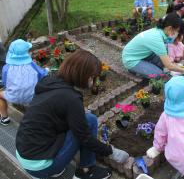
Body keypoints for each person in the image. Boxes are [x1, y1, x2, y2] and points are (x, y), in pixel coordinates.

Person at [15, 50, 129, 179]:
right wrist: (111, 152)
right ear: (83, 75)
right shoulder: (70, 98)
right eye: (92, 77)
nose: (93, 81)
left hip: (24, 152)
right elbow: (84, 137)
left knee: (83, 120)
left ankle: (63, 165)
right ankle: (86, 171)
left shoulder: (49, 81)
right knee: (89, 121)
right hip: (41, 166)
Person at [122, 12, 184, 78]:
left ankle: (146, 65)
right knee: (159, 75)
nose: (177, 34)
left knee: (164, 61)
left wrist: (176, 65)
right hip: (131, 60)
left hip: (142, 54)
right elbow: (169, 66)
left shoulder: (158, 31)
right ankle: (134, 70)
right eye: (177, 31)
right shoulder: (157, 38)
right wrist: (183, 70)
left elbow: (166, 58)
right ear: (170, 28)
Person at [0, 39, 48, 126]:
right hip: (32, 96)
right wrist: (47, 69)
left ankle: (4, 118)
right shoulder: (32, 64)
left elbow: (5, 83)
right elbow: (42, 74)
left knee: (0, 95)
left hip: (13, 96)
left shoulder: (6, 67)